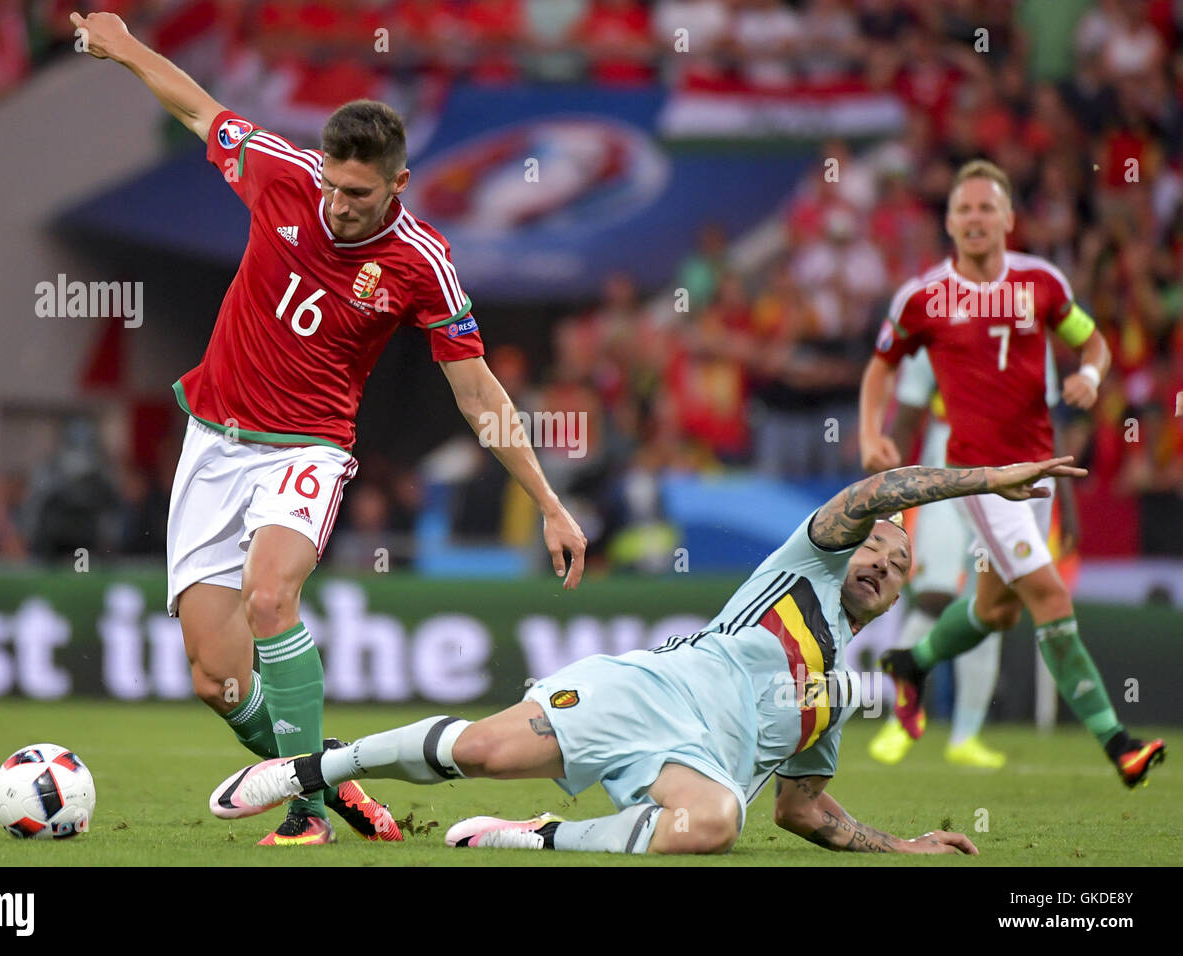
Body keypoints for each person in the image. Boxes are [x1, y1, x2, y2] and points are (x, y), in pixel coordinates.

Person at [71, 11, 588, 846]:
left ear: (398, 185)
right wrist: (123, 44)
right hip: (213, 439)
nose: (339, 207)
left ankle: (305, 812)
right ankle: (331, 774)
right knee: (213, 677)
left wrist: (550, 502)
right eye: (332, 188)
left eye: (359, 194)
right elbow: (199, 109)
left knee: (271, 598)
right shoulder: (281, 172)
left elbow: (481, 395)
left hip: (308, 448)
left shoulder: (423, 263)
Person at [209, 458, 1090, 856]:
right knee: (478, 751)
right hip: (645, 691)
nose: (882, 565)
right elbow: (872, 493)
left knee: (717, 825)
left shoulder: (829, 699)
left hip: (692, 764)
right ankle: (310, 770)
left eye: (899, 571)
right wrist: (982, 481)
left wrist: (904, 847)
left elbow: (806, 811)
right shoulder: (806, 562)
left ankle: (534, 839)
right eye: (878, 551)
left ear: (897, 601)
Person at [859, 159, 1165, 788]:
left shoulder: (1042, 284)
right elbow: (881, 366)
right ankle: (1119, 744)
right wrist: (870, 432)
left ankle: (910, 664)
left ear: (1007, 219)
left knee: (995, 610)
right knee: (1050, 596)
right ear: (949, 222)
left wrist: (1090, 375)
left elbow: (1093, 342)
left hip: (1043, 470)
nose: (974, 219)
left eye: (985, 208)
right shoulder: (923, 298)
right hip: (984, 476)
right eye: (963, 209)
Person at [866, 345, 1077, 769]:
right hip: (945, 466)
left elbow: (1045, 423)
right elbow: (906, 419)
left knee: (991, 602)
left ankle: (966, 733)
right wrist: (887, 498)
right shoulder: (937, 330)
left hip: (1009, 469)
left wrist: (1065, 502)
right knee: (935, 595)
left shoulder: (1032, 338)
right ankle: (901, 717)